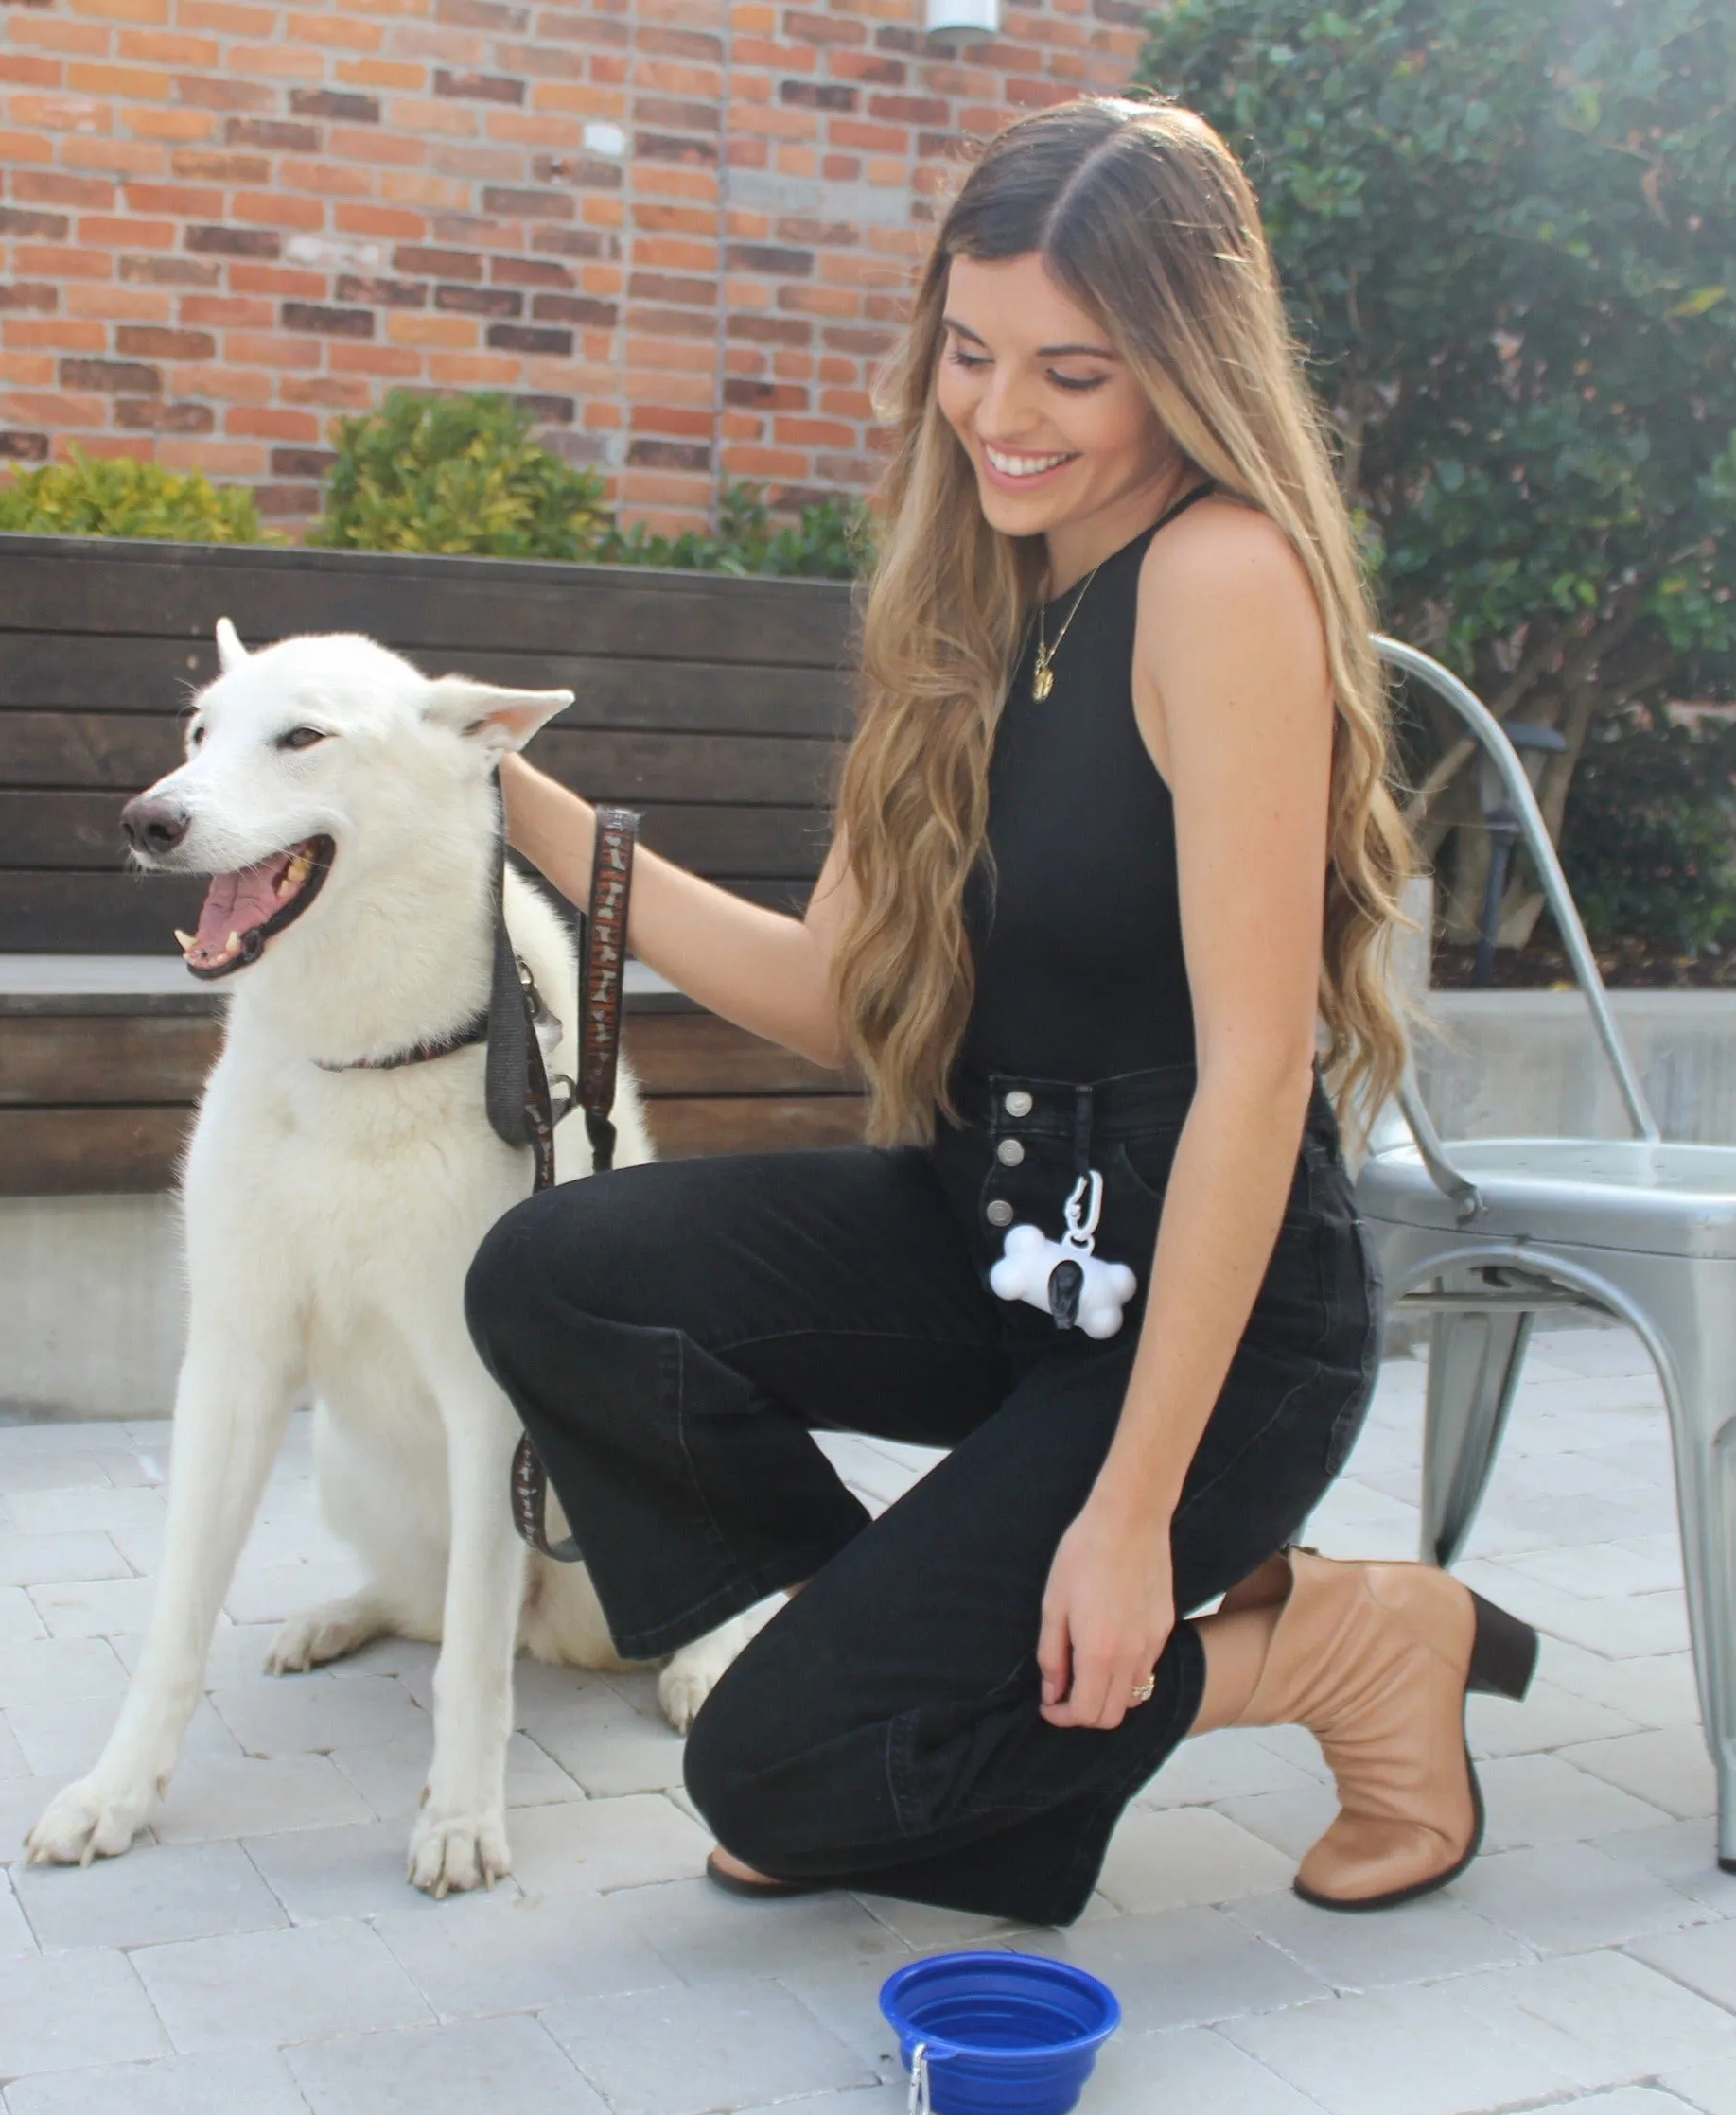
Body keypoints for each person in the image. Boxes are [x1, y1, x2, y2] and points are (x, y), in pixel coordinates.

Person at [466, 96, 1536, 1928]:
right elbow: (829, 1000)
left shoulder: (1220, 581)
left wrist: (1129, 1517)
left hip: (1223, 1324)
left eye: (1071, 374)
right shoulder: (975, 592)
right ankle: (922, 1669)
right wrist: (516, 813)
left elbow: (1258, 1072)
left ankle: (1348, 1649)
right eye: (968, 356)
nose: (1000, 419)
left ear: (1183, 374)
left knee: (765, 1781)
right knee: (550, 1277)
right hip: (1000, 1243)